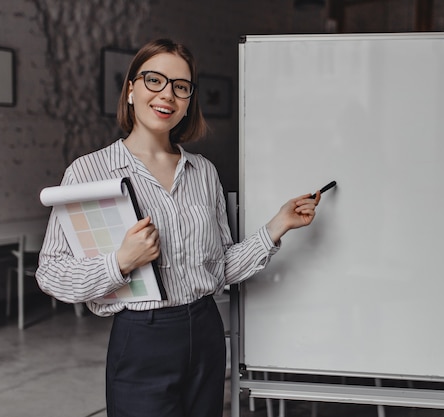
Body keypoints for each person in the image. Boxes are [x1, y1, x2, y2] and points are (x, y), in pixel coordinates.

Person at [35, 38, 321, 417]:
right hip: (141, 337)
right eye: (154, 80)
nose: (166, 94)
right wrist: (119, 262)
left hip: (205, 330)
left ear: (188, 102)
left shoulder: (203, 172)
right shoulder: (88, 173)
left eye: (180, 86)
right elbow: (51, 273)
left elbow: (218, 269)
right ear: (131, 90)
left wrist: (277, 225)